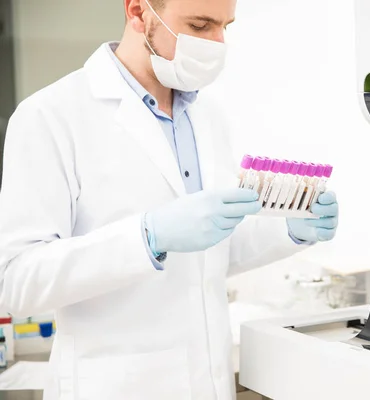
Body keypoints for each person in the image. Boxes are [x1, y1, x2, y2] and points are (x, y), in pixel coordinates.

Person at [0, 0, 339, 398]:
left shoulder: (207, 115)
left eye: (224, 26)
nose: (217, 43)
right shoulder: (51, 115)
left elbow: (207, 255)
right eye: (200, 25)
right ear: (137, 12)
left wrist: (289, 232)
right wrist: (147, 236)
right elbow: (17, 280)